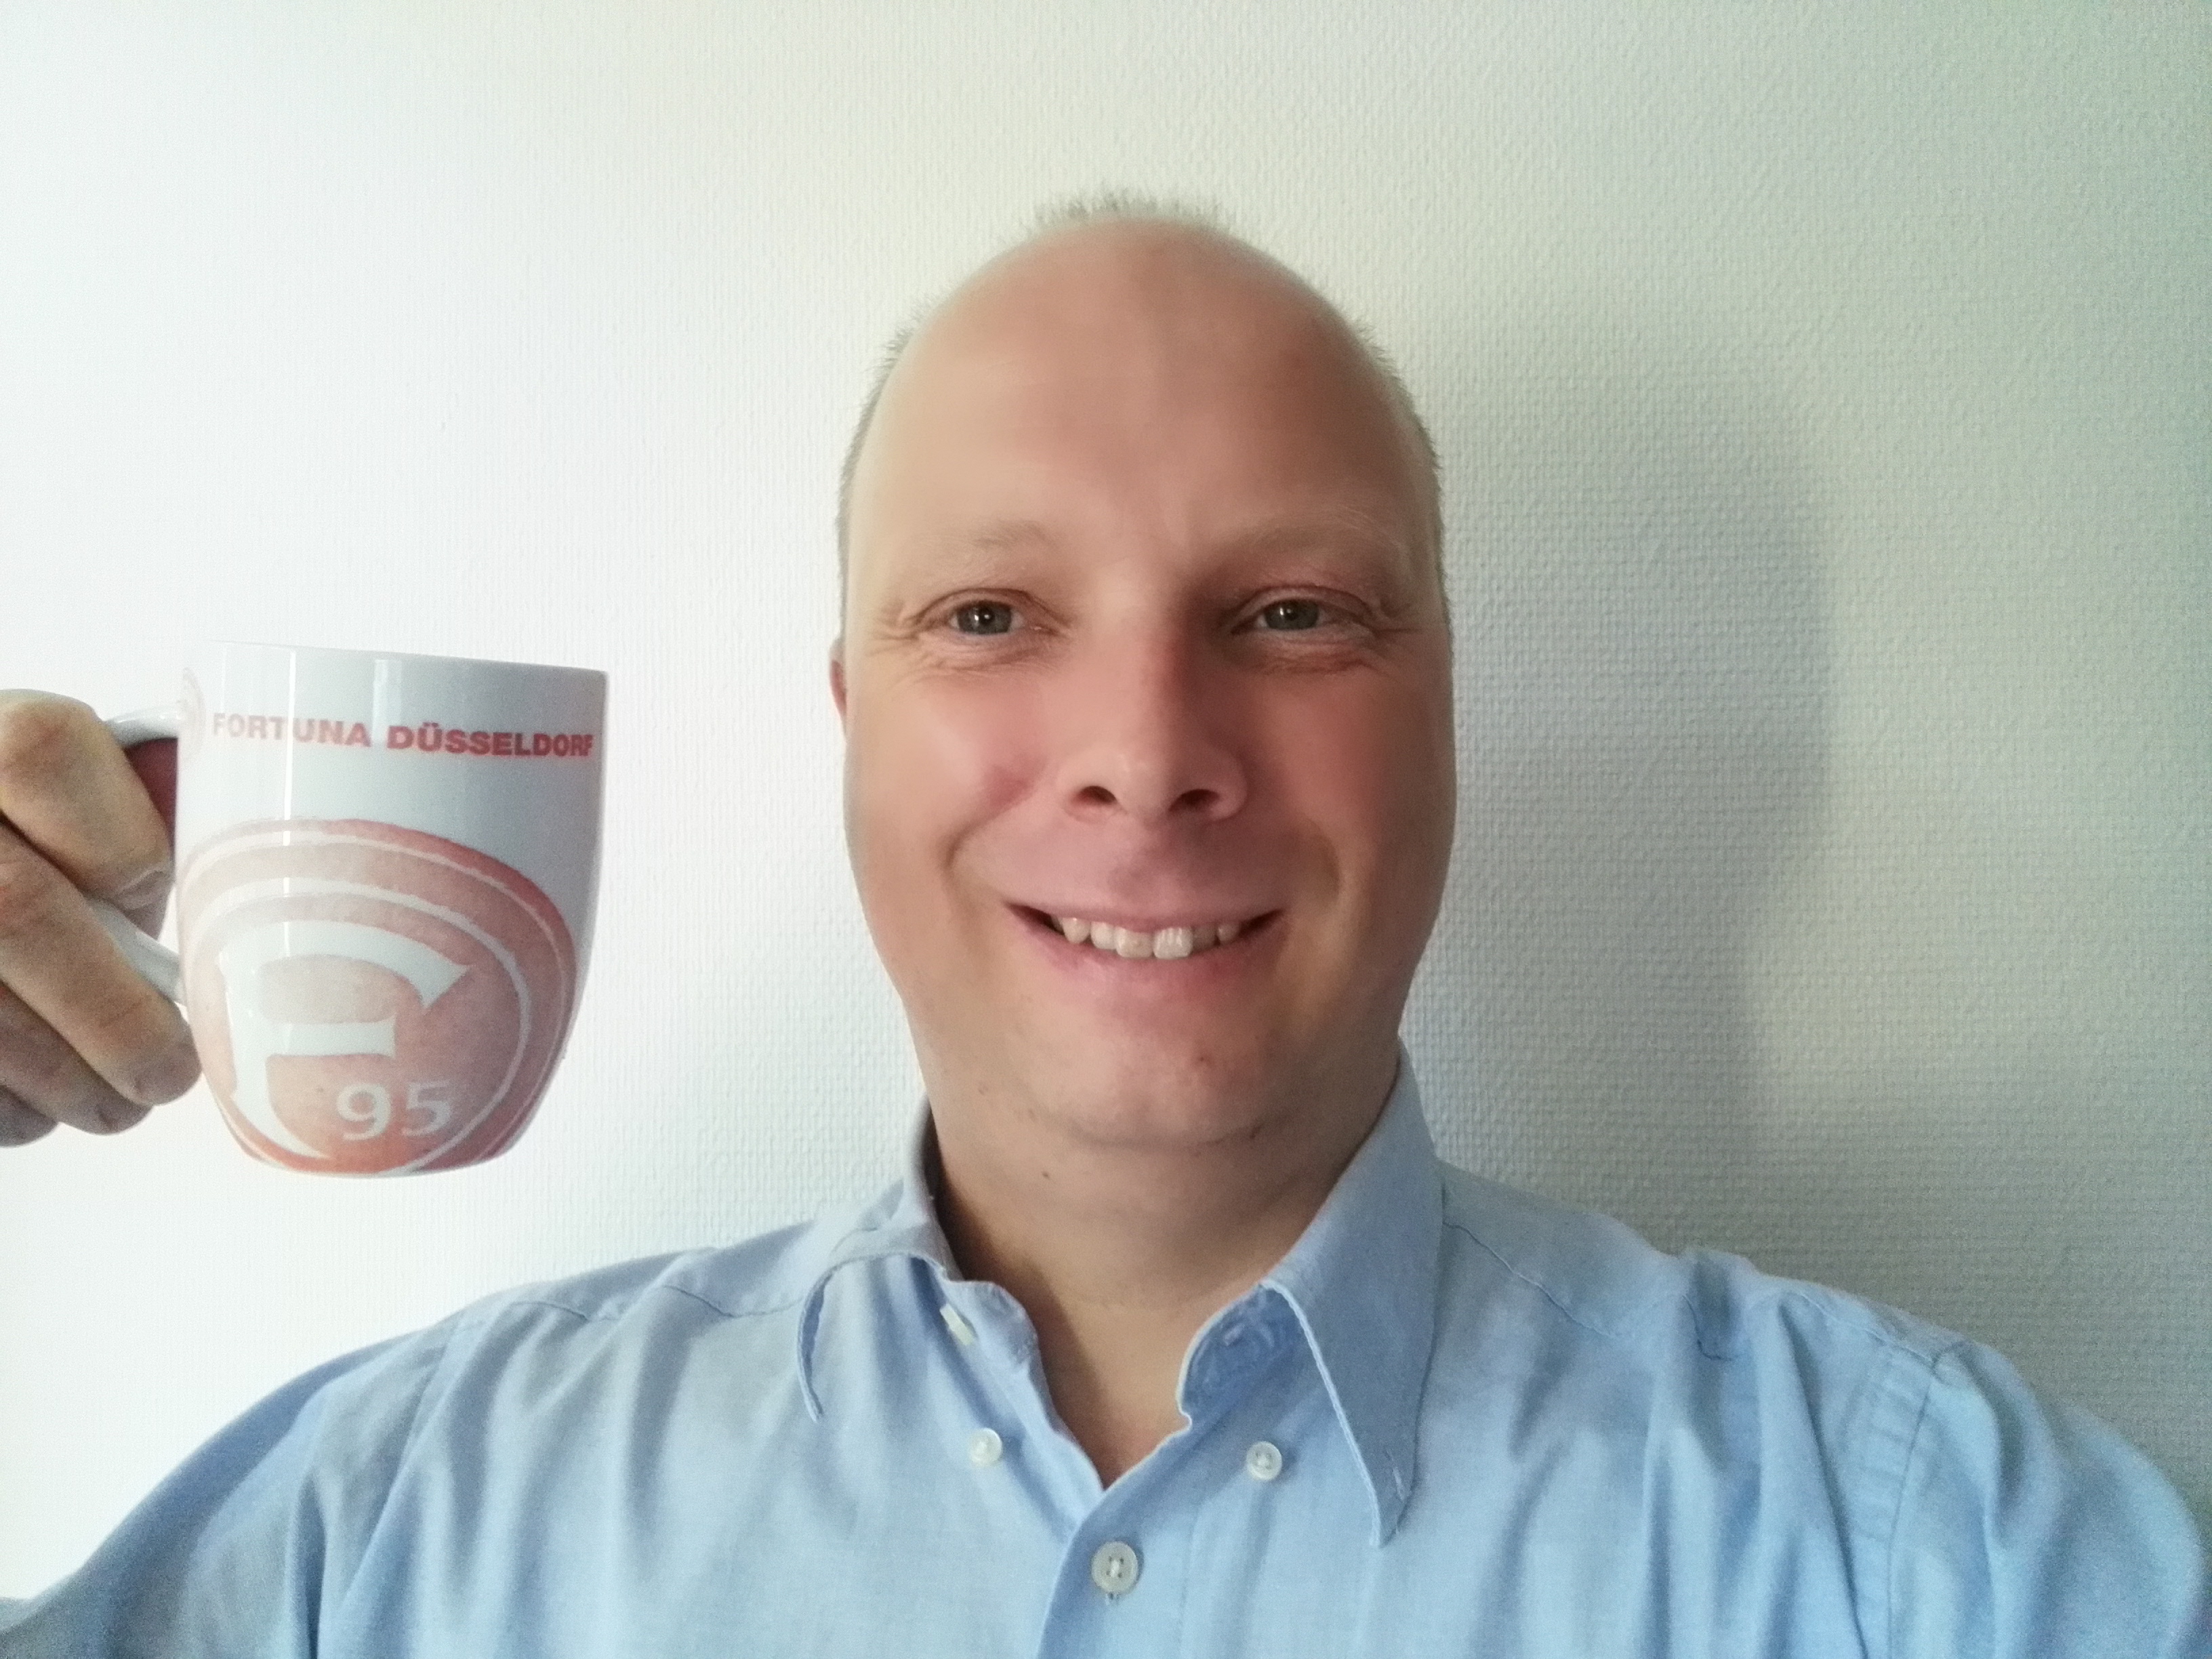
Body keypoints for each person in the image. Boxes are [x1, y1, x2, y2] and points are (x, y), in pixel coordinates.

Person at [0, 200, 2203, 1656]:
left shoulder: (1930, 1549)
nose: (1148, 758)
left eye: (1293, 614)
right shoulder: (402, 1525)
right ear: (853, 726)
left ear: (1442, 711)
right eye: (988, 616)